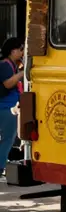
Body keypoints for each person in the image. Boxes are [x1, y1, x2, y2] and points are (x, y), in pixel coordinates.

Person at [0, 37, 24, 177]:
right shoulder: (4, 65)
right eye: (21, 50)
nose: (22, 53)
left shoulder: (12, 64)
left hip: (9, 106)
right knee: (8, 138)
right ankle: (1, 166)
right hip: (6, 107)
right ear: (13, 51)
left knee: (8, 138)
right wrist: (22, 73)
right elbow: (8, 83)